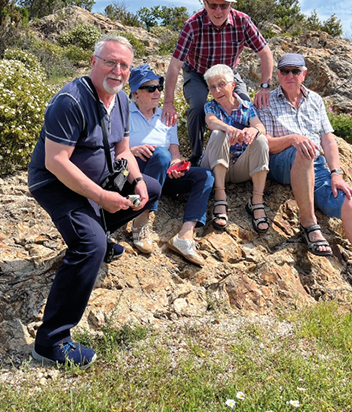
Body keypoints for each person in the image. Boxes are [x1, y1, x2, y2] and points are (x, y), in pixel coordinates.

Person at [27, 35, 162, 367]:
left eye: (124, 66)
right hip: (55, 183)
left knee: (153, 190)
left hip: (98, 181)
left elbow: (122, 150)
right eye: (110, 62)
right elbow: (56, 161)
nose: (117, 71)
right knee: (90, 245)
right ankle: (51, 341)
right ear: (93, 62)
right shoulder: (70, 102)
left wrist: (138, 181)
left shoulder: (121, 103)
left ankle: (100, 232)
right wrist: (101, 196)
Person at [258, 53, 352, 302]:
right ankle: (309, 223)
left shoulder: (315, 100)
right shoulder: (266, 100)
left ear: (304, 73)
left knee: (347, 200)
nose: (290, 75)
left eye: (295, 71)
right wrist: (293, 139)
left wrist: (336, 173)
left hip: (315, 163)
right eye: (284, 71)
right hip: (282, 159)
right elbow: (265, 143)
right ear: (277, 74)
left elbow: (327, 139)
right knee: (303, 149)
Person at [160, 0, 274, 166]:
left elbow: (265, 53)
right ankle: (197, 156)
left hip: (228, 72)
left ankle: (243, 153)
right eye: (213, 5)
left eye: (224, 5)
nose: (218, 11)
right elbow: (174, 66)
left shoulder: (242, 21)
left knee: (244, 103)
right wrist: (168, 103)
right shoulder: (193, 25)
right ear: (204, 4)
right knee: (197, 107)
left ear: (231, 5)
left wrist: (265, 86)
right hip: (198, 72)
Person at [127, 64, 213, 266]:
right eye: (150, 88)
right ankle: (140, 221)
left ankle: (185, 236)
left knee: (205, 176)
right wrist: (131, 151)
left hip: (163, 174)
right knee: (160, 153)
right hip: (134, 173)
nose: (157, 92)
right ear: (135, 93)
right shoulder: (123, 113)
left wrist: (177, 163)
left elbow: (174, 152)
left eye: (159, 86)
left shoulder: (167, 116)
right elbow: (110, 149)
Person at [200, 64, 270, 233]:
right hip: (213, 163)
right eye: (213, 87)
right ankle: (220, 197)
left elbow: (260, 127)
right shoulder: (211, 106)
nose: (217, 91)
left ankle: (257, 202)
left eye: (221, 84)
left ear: (232, 85)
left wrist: (253, 130)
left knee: (261, 140)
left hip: (239, 166)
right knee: (218, 133)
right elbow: (211, 121)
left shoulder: (246, 107)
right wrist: (228, 128)